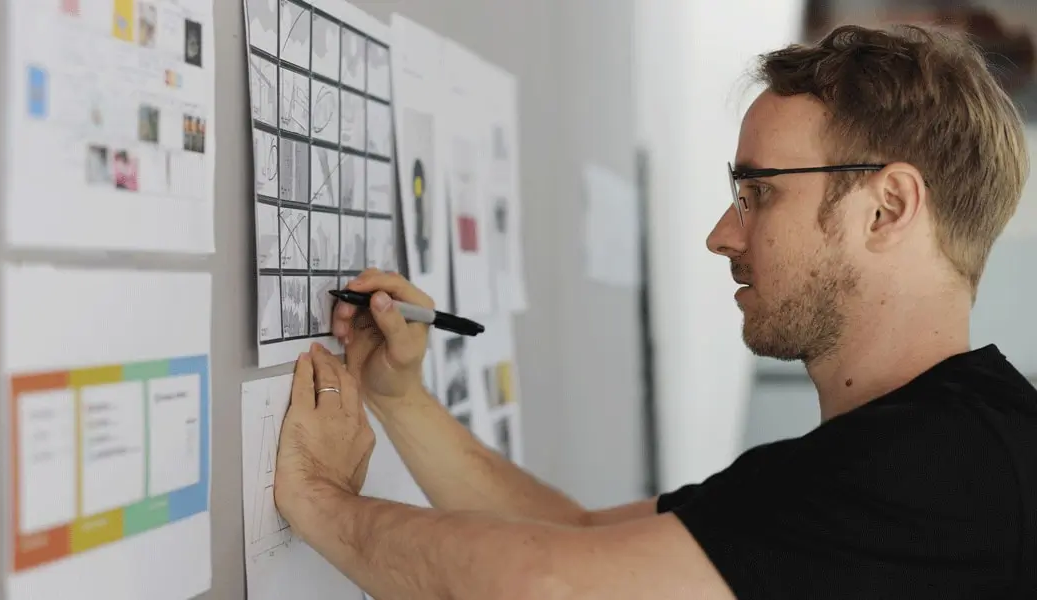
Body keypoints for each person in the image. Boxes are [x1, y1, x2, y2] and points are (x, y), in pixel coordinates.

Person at [273, 23, 1037, 600]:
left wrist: (318, 500)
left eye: (758, 194)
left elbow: (551, 586)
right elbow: (574, 539)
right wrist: (398, 397)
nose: (722, 234)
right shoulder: (918, 451)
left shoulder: (942, 468)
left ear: (887, 207)